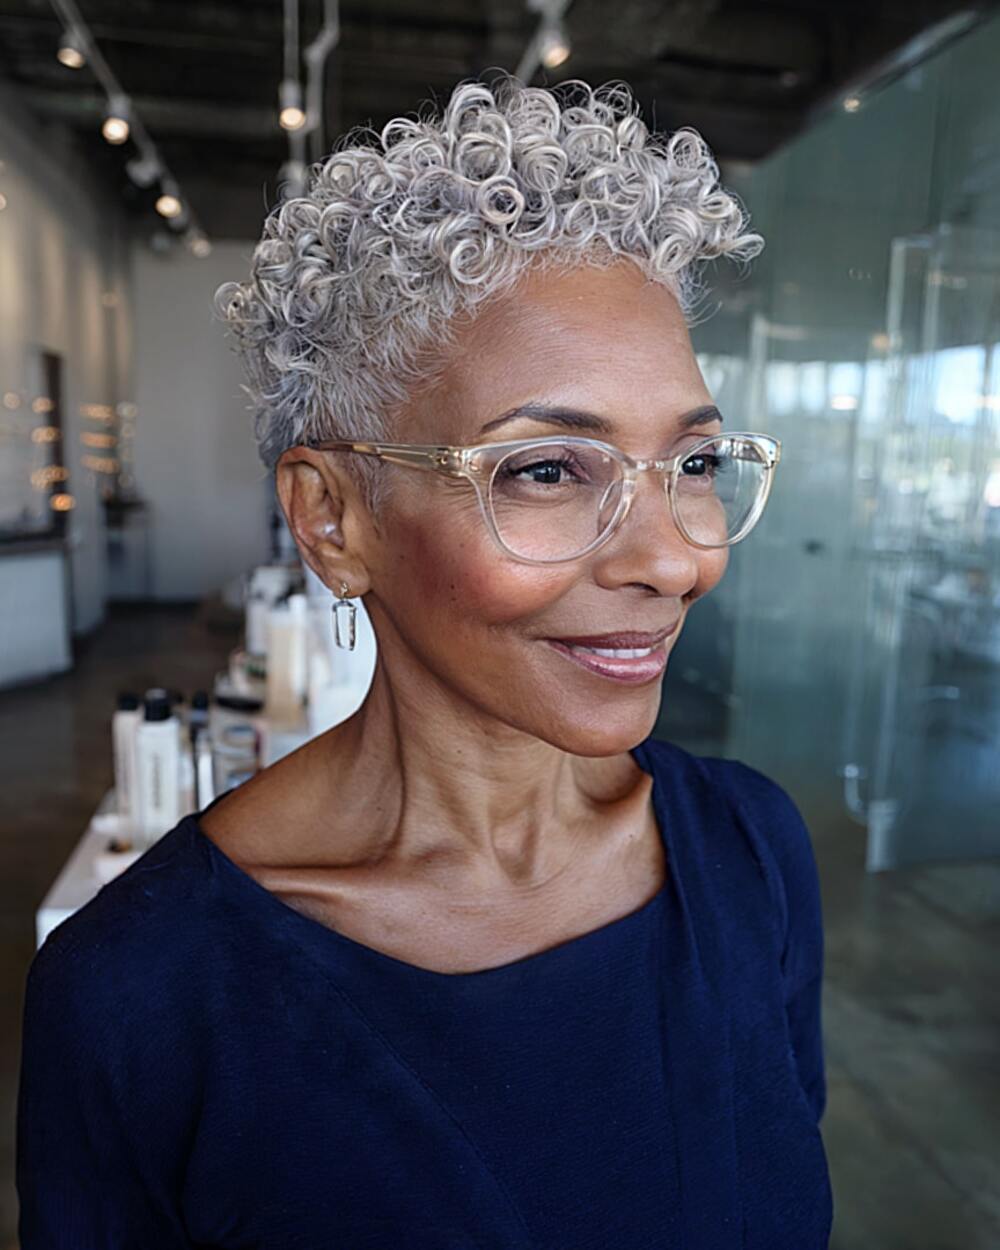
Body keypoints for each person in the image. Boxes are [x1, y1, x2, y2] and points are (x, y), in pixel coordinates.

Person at [16, 74, 833, 1248]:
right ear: (333, 516)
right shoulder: (145, 996)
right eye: (548, 468)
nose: (677, 558)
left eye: (694, 464)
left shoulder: (753, 855)